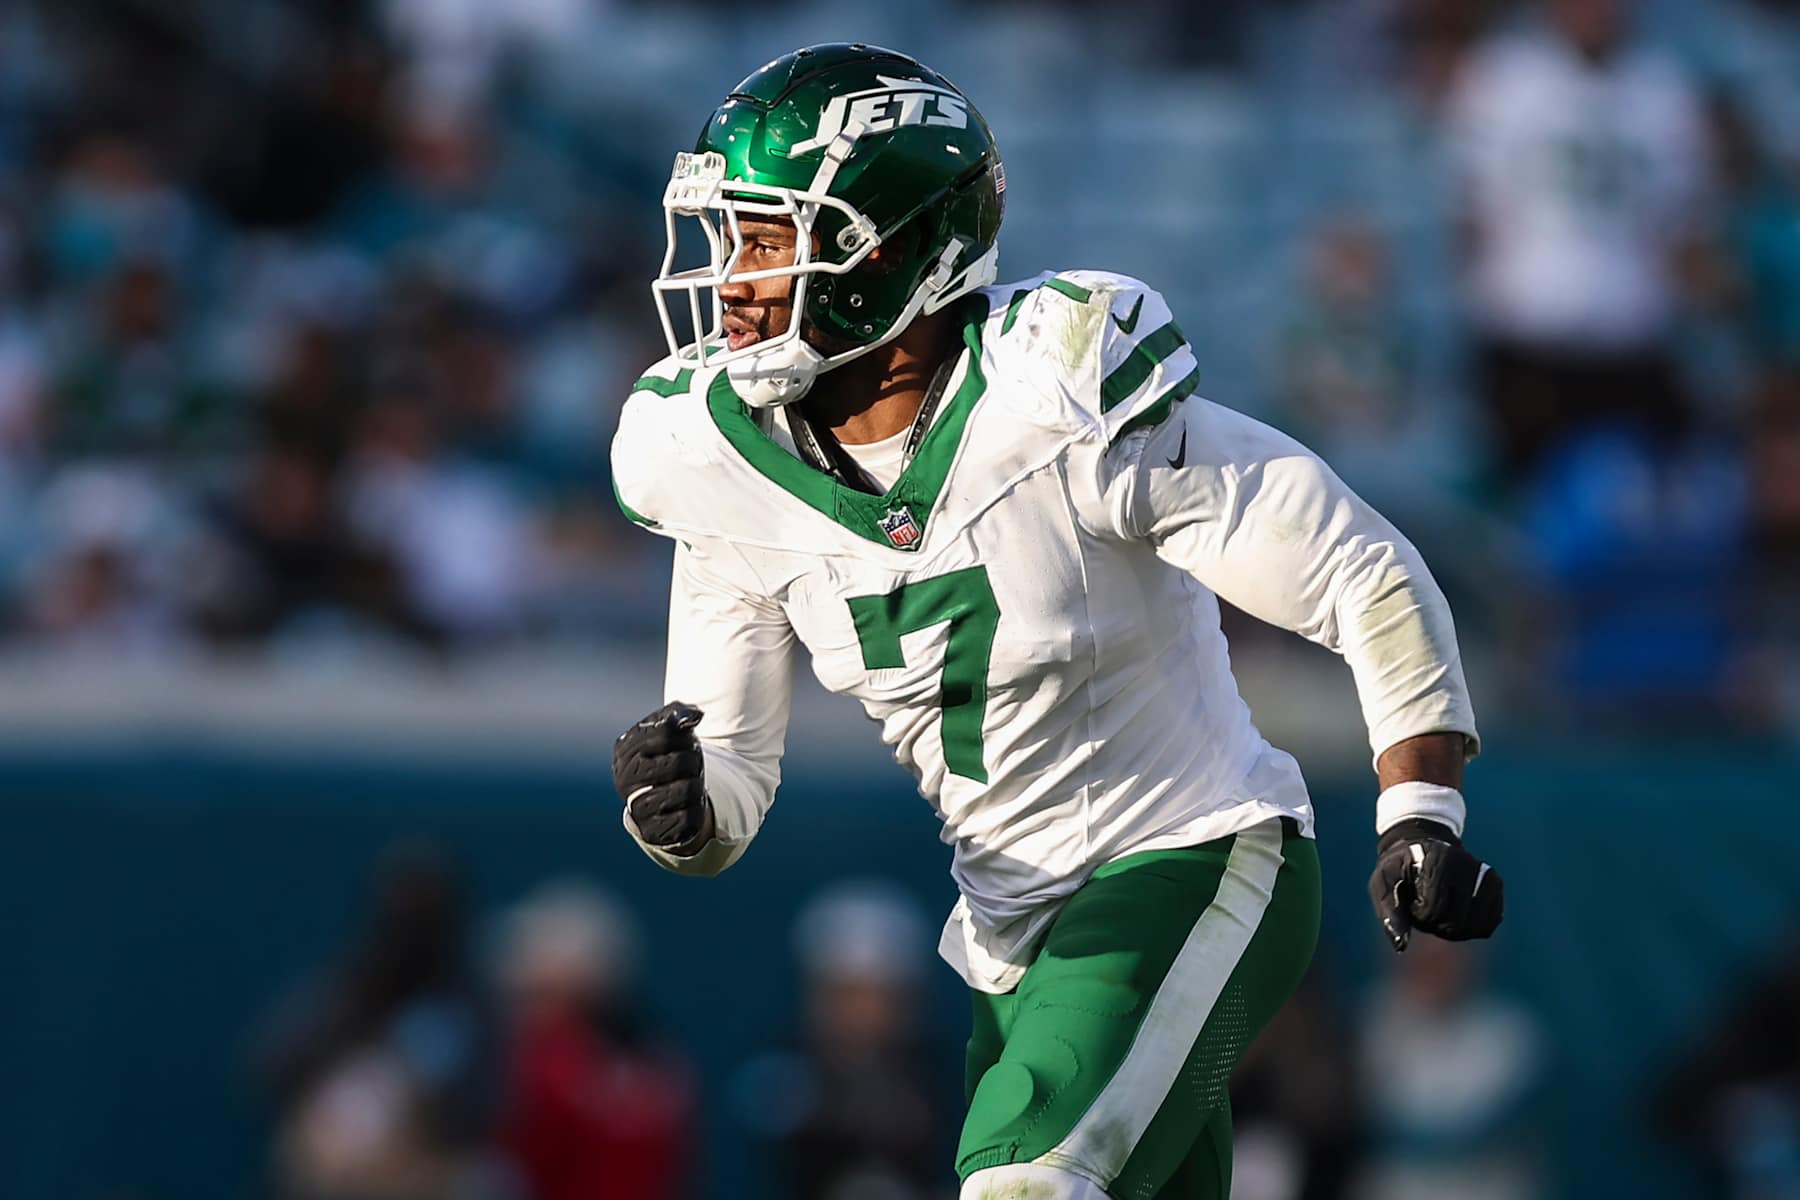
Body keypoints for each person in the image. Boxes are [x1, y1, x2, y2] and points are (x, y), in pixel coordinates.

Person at [608, 43, 1504, 1200]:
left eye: (772, 240)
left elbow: (1355, 565)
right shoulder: (711, 455)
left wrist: (1421, 808)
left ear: (890, 251)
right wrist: (680, 809)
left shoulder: (1054, 390)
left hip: (1191, 855)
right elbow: (727, 778)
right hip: (1009, 944)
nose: (732, 277)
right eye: (731, 237)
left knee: (1026, 1183)